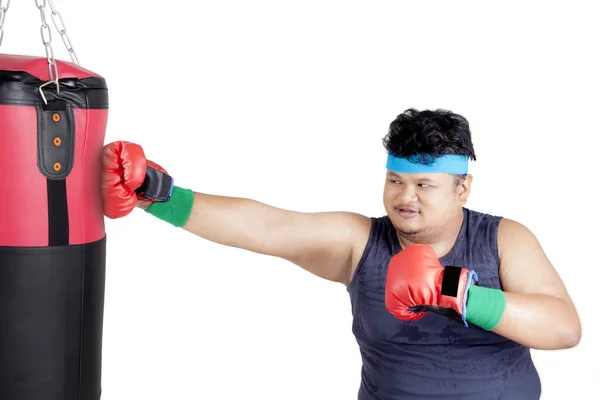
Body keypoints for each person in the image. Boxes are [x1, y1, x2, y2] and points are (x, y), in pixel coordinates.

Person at [101, 108, 581, 399]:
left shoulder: (504, 239)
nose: (404, 197)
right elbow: (268, 226)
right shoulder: (361, 242)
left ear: (462, 188)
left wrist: (455, 290)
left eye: (423, 185)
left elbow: (563, 328)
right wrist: (156, 194)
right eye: (395, 181)